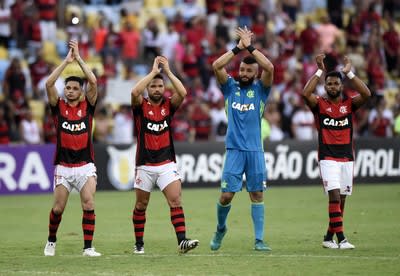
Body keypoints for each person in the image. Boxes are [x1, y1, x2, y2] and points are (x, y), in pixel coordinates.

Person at [210, 26, 274, 251]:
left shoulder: (261, 91)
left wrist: (251, 47)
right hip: (235, 150)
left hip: (255, 151)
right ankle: (220, 229)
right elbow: (216, 65)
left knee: (256, 194)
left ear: (256, 74)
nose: (245, 74)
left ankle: (258, 240)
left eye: (249, 71)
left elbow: (270, 66)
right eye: (242, 70)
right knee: (226, 196)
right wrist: (238, 48)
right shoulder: (229, 88)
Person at [130, 56, 199, 254]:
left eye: (160, 86)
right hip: (144, 164)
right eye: (153, 86)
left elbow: (183, 92)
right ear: (148, 88)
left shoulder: (168, 106)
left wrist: (168, 72)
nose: (157, 89)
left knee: (175, 200)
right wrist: (152, 73)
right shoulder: (140, 106)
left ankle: (182, 241)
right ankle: (139, 244)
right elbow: (135, 91)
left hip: (166, 163)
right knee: (141, 205)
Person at [302, 54, 371, 249]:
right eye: (329, 84)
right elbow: (305, 94)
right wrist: (319, 71)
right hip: (328, 157)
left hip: (347, 158)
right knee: (333, 196)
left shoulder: (348, 105)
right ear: (325, 87)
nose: (332, 87)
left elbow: (366, 94)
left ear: (341, 86)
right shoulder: (319, 105)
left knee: (341, 201)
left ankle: (328, 237)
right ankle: (342, 239)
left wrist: (349, 72)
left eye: (336, 84)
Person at [43, 40, 101, 257]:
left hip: (85, 165)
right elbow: (49, 84)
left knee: (88, 203)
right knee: (58, 209)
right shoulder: (58, 108)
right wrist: (65, 62)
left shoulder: (88, 106)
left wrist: (79, 59)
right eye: (67, 87)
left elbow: (93, 82)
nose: (70, 91)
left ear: (80, 92)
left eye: (75, 88)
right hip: (64, 166)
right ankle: (51, 241)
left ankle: (88, 248)